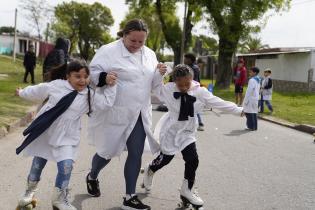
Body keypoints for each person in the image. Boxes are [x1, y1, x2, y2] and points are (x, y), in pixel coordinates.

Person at [85, 19, 167, 210]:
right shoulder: (108, 51)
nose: (137, 45)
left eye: (141, 41)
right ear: (124, 35)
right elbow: (91, 74)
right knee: (107, 152)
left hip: (139, 112)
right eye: (133, 41)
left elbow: (152, 84)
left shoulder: (150, 54)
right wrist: (104, 77)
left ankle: (130, 197)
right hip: (117, 111)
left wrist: (160, 73)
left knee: (136, 152)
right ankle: (92, 175)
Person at [15, 60, 117, 210]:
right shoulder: (57, 86)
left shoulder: (89, 94)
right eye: (77, 76)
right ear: (68, 76)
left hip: (67, 137)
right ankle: (29, 192)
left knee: (66, 166)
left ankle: (59, 199)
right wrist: (22, 92)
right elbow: (37, 90)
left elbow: (107, 103)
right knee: (38, 164)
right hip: (47, 131)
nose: (82, 80)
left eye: (85, 76)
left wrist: (112, 86)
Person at [141, 64, 243, 208]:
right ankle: (150, 169)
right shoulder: (168, 89)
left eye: (186, 84)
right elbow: (155, 87)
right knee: (166, 159)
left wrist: (238, 110)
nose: (183, 87)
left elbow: (217, 102)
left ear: (192, 79)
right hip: (171, 131)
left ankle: (187, 190)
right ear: (174, 81)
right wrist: (159, 74)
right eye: (180, 84)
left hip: (187, 132)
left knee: (193, 159)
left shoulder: (200, 92)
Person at [184, 53, 204, 131]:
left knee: (194, 107)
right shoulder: (188, 67)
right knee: (190, 107)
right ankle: (188, 124)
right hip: (189, 89)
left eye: (185, 58)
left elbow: (193, 80)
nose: (184, 60)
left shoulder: (194, 68)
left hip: (193, 89)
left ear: (189, 59)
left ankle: (200, 123)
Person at [243, 67, 260, 131]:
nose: (249, 73)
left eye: (251, 72)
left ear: (254, 72)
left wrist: (245, 99)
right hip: (255, 98)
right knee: (254, 112)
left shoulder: (252, 80)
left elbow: (249, 91)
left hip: (251, 98)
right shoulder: (258, 79)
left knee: (249, 112)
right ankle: (254, 127)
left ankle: (250, 126)